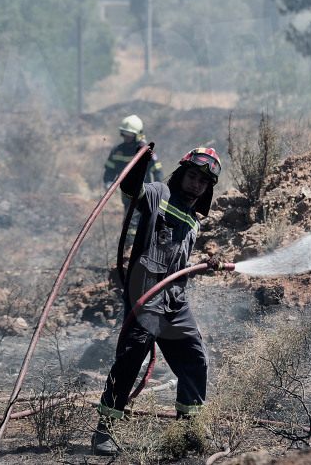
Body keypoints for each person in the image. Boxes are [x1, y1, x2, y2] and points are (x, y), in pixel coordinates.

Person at [92, 147, 224, 456]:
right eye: (192, 176)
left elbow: (179, 260)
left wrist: (206, 262)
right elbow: (130, 189)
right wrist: (138, 165)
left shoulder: (195, 221)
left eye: (203, 182)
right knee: (130, 360)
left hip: (175, 301)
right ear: (181, 173)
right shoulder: (157, 194)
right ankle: (104, 432)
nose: (196, 184)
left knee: (195, 359)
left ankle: (187, 431)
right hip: (146, 295)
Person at [103, 115, 163, 244]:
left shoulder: (144, 151)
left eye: (130, 134)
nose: (127, 137)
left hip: (143, 192)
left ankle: (129, 250)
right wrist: (108, 181)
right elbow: (109, 169)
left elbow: (157, 170)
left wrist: (159, 188)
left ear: (137, 134)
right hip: (126, 193)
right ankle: (130, 250)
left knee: (133, 222)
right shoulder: (118, 151)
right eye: (124, 134)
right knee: (131, 220)